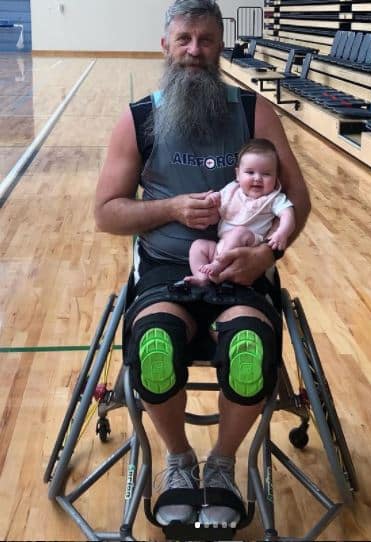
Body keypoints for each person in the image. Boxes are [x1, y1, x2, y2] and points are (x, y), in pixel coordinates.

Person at [94, 0, 310, 527]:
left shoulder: (252, 112)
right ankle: (178, 460)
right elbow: (106, 213)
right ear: (165, 45)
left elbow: (298, 201)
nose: (194, 50)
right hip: (169, 267)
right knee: (156, 345)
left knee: (250, 348)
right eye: (184, 39)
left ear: (220, 48)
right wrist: (169, 208)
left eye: (206, 40)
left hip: (244, 265)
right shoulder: (139, 118)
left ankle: (221, 466)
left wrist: (267, 253)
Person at [186, 138, 295, 286]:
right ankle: (202, 278)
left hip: (250, 246)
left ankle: (218, 269)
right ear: (238, 174)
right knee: (198, 246)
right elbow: (217, 213)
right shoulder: (232, 191)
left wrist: (282, 232)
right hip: (222, 245)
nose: (257, 178)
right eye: (250, 172)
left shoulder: (273, 198)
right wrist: (213, 200)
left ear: (276, 177)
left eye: (266, 174)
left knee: (239, 232)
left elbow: (288, 214)